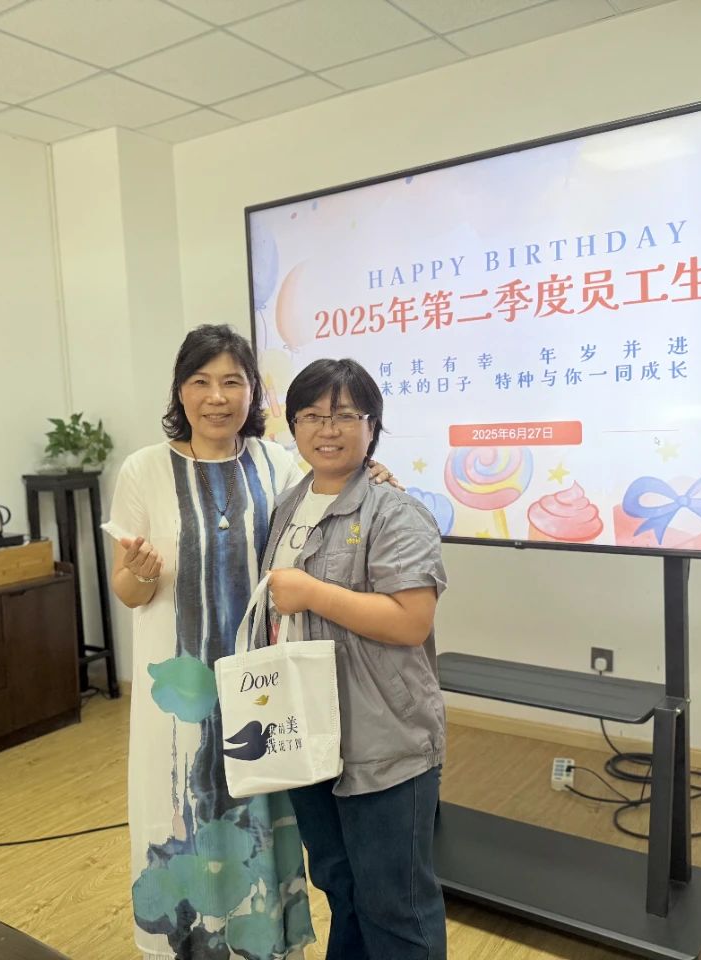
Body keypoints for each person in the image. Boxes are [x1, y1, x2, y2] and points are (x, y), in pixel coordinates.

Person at [108, 325, 397, 960]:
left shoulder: (276, 461)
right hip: (179, 693)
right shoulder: (143, 470)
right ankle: (187, 944)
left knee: (265, 808)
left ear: (253, 392)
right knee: (183, 808)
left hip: (263, 685)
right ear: (180, 391)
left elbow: (332, 495)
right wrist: (142, 573)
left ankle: (263, 942)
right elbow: (127, 591)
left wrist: (372, 472)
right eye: (201, 382)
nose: (217, 397)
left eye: (232, 381)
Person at [261, 358, 448, 960]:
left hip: (383, 740)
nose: (328, 429)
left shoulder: (395, 511)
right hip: (308, 733)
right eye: (312, 415)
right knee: (341, 887)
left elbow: (411, 621)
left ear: (373, 426)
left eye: (345, 415)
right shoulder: (289, 505)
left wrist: (313, 592)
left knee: (397, 906)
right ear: (293, 425)